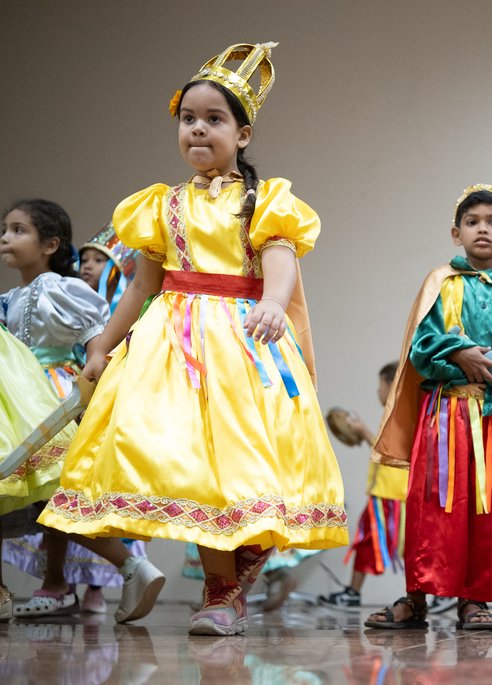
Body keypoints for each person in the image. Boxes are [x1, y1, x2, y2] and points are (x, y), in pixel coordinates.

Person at [38, 42, 348, 635]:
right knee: (184, 464)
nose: (198, 130)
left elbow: (280, 260)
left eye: (214, 119)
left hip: (241, 342)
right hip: (171, 348)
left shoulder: (265, 201)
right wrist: (104, 344)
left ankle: (235, 576)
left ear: (244, 133)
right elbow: (139, 288)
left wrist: (274, 305)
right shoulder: (161, 206)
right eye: (188, 119)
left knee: (239, 467)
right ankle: (222, 589)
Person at [365, 184, 492, 631]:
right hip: (445, 415)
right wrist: (459, 352)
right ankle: (417, 596)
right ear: (456, 233)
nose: (482, 229)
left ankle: (476, 600)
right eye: (472, 223)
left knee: (489, 511)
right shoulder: (440, 283)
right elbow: (421, 346)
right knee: (434, 507)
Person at [0, 199, 154, 619]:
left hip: (51, 398)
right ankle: (109, 572)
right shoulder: (11, 298)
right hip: (17, 402)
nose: (6, 238)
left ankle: (123, 567)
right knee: (26, 496)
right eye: (5, 229)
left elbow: (94, 343)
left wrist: (91, 392)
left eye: (18, 230)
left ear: (50, 244)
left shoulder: (60, 288)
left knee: (49, 497)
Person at [0, 325, 79, 621]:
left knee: (49, 489)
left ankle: (127, 566)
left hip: (29, 385)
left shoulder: (62, 291)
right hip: (21, 379)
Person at [320, 361, 409, 609]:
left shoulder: (399, 413)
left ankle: (431, 594)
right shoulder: (394, 412)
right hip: (385, 492)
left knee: (406, 546)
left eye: (380, 385)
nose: (377, 392)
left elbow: (392, 451)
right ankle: (353, 592)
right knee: (368, 541)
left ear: (390, 384)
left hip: (395, 493)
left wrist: (364, 430)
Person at [78, 223, 139, 312]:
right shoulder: (74, 302)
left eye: (98, 260)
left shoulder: (131, 306)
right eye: (84, 260)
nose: (87, 266)